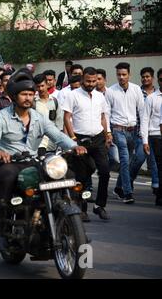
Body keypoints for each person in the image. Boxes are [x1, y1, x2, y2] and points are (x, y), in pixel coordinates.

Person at [0, 71, 87, 251]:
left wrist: (73, 146)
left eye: (31, 94)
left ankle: (71, 221)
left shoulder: (39, 117)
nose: (28, 98)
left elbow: (57, 135)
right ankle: (1, 229)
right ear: (15, 97)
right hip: (11, 162)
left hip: (34, 161)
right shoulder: (1, 117)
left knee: (67, 175)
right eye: (24, 94)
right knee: (6, 177)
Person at [63, 67, 112, 221]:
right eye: (88, 81)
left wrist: (107, 134)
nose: (91, 84)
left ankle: (99, 206)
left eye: (94, 81)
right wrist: (72, 138)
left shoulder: (100, 96)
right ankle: (82, 208)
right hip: (80, 139)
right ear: (82, 79)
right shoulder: (73, 95)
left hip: (98, 139)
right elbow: (67, 117)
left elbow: (103, 117)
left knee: (105, 172)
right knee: (82, 175)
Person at [106, 62, 145, 204]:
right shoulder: (111, 91)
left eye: (124, 74)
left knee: (127, 162)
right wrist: (109, 132)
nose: (121, 77)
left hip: (133, 131)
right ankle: (128, 193)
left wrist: (142, 132)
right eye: (118, 75)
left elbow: (142, 112)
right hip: (118, 130)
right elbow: (106, 113)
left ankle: (118, 187)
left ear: (129, 74)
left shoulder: (136, 90)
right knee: (124, 159)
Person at [141, 67, 161, 199]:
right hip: (155, 136)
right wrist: (145, 141)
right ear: (158, 81)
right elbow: (145, 119)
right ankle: (159, 194)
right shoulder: (151, 98)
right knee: (158, 166)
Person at [33, 73, 64, 153]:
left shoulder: (55, 101)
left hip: (52, 144)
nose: (40, 89)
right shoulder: (32, 103)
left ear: (47, 85)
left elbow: (59, 123)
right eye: (38, 86)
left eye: (42, 86)